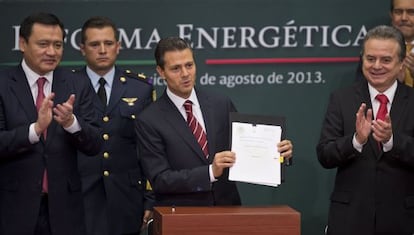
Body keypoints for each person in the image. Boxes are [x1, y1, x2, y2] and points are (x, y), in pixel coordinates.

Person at [136, 36, 293, 206]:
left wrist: (277, 154)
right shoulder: (149, 120)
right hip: (183, 216)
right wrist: (210, 172)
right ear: (161, 72)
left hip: (228, 209)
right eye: (176, 68)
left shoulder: (220, 103)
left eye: (189, 65)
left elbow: (244, 149)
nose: (185, 74)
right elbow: (160, 179)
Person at [0, 12, 101, 235]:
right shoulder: (3, 84)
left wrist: (71, 123)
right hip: (13, 210)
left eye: (57, 45)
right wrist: (35, 130)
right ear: (23, 43)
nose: (52, 52)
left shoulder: (77, 83)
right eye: (43, 44)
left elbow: (95, 144)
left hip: (65, 211)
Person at [317, 25, 414, 234]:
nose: (376, 66)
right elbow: (325, 154)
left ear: (400, 64)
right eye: (370, 59)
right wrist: (355, 141)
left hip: (401, 221)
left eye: (386, 60)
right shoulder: (341, 98)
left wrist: (392, 141)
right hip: (349, 220)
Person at [77, 16, 155, 235]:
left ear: (118, 47)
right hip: (79, 198)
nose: (102, 50)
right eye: (94, 44)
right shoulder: (67, 85)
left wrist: (149, 199)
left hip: (127, 198)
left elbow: (148, 149)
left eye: (108, 43)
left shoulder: (139, 88)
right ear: (82, 49)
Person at [391, 0, 414, 86]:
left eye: (411, 12)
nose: (404, 18)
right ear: (391, 15)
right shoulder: (375, 49)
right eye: (398, 12)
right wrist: (391, 83)